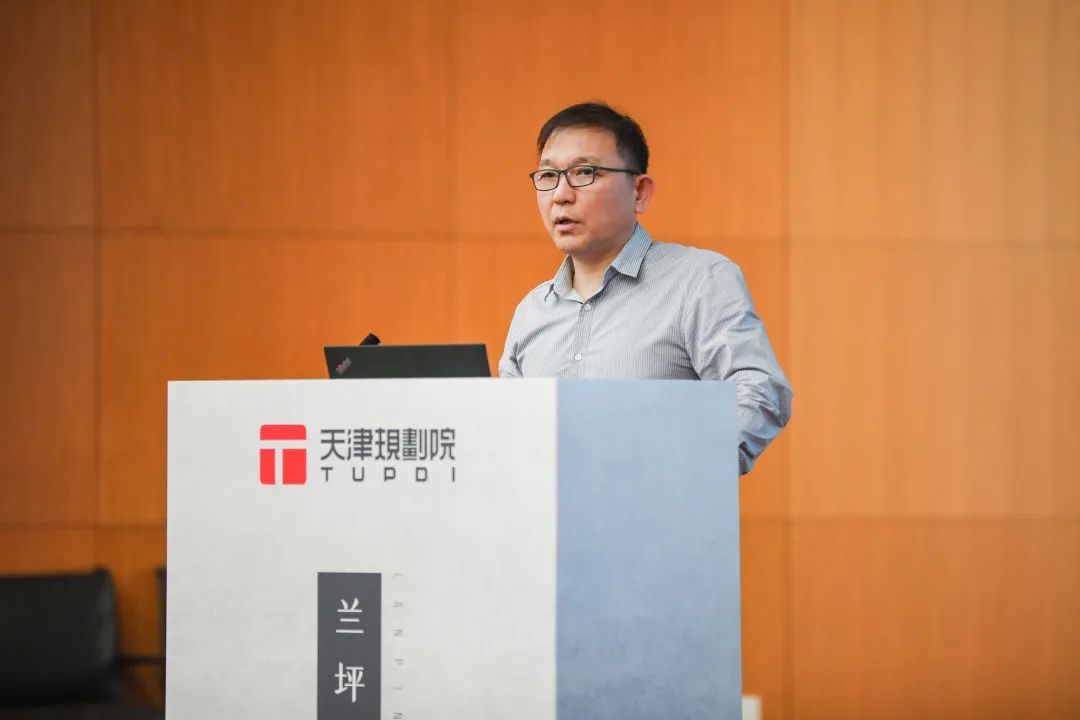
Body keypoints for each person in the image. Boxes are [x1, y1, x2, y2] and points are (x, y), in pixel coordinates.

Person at [499, 102, 793, 475]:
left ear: (639, 192)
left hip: (660, 507)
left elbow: (759, 390)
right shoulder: (532, 311)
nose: (560, 194)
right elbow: (506, 433)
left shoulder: (698, 280)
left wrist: (675, 469)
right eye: (548, 176)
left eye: (584, 172)